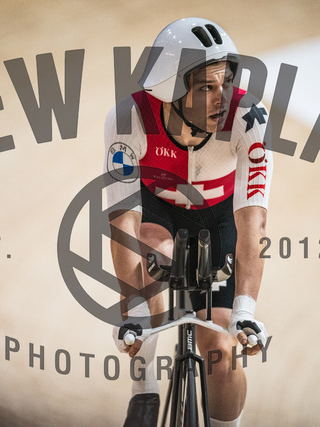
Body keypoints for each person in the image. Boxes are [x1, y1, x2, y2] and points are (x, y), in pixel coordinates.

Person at [105, 17, 272, 427]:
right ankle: (144, 389)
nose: (222, 98)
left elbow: (253, 224)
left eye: (226, 82)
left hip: (220, 220)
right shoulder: (129, 117)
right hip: (157, 212)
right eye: (205, 88)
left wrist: (245, 310)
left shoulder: (249, 118)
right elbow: (123, 221)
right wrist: (133, 311)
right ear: (171, 90)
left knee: (221, 353)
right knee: (152, 257)